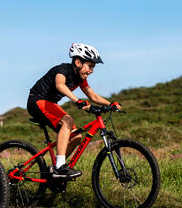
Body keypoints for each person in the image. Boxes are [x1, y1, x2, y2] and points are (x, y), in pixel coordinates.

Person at [27, 43, 122, 178]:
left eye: (93, 67)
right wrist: (77, 100)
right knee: (68, 120)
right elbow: (60, 85)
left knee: (76, 136)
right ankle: (60, 166)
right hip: (37, 101)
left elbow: (93, 96)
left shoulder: (80, 78)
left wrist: (111, 103)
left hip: (50, 104)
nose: (92, 71)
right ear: (78, 62)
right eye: (90, 66)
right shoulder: (63, 70)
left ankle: (54, 169)